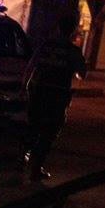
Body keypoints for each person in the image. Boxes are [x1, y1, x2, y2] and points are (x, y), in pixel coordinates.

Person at [23, 13, 87, 182]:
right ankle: (35, 169)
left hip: (39, 92)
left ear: (58, 28)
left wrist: (25, 87)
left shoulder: (45, 46)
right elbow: (82, 73)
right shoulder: (72, 51)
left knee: (33, 127)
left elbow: (31, 67)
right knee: (48, 133)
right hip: (57, 96)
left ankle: (22, 161)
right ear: (72, 30)